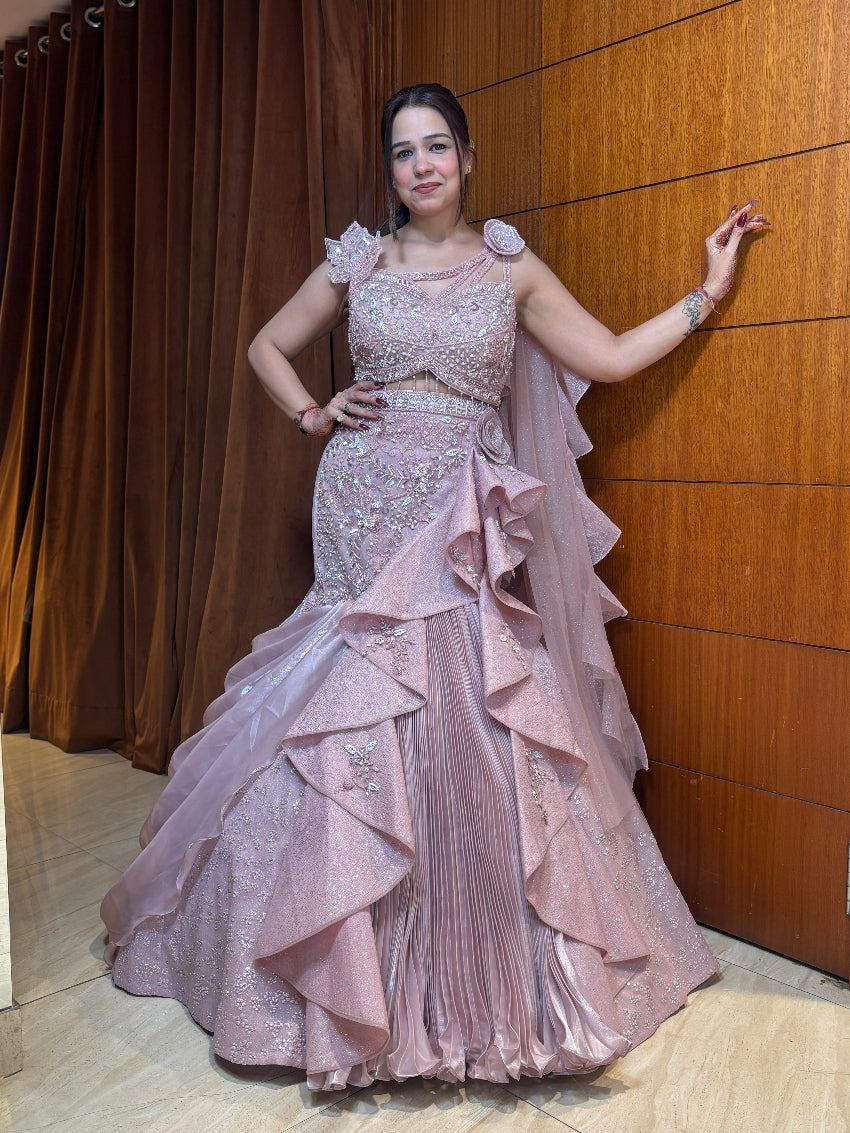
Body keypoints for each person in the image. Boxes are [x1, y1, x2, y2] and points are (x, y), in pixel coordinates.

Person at [101, 83, 768, 1090]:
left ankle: (470, 966)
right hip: (361, 504)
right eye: (403, 152)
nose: (421, 167)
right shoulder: (357, 262)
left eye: (437, 148)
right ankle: (318, 966)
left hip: (455, 517)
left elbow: (611, 357)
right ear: (391, 169)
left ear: (465, 157)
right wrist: (311, 411)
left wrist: (704, 292)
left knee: (469, 701)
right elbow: (267, 347)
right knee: (351, 704)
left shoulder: (510, 269)